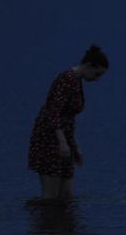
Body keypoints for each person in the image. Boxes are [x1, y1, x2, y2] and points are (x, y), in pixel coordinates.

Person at [28, 45, 109, 199]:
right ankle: (45, 221)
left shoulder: (77, 80)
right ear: (89, 66)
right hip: (49, 137)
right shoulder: (66, 79)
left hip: (64, 138)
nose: (97, 79)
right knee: (51, 195)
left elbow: (68, 117)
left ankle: (66, 222)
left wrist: (74, 145)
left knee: (66, 195)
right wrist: (62, 143)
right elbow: (53, 111)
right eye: (97, 74)